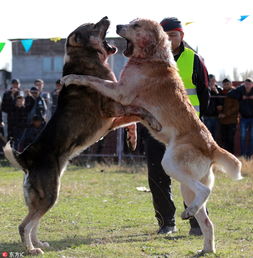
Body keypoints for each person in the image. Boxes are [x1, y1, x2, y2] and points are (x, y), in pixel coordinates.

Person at [143, 17, 210, 236]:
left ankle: (197, 224)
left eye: (173, 35)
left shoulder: (194, 59)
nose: (170, 39)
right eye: (166, 35)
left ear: (182, 35)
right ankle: (166, 223)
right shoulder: (149, 60)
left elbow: (204, 94)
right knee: (157, 175)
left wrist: (198, 124)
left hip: (187, 133)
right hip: (158, 129)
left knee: (192, 176)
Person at [228, 78, 253, 157]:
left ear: (252, 84)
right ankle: (243, 155)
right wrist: (241, 96)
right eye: (246, 84)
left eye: (249, 84)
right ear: (243, 84)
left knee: (252, 137)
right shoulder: (240, 89)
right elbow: (230, 93)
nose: (247, 86)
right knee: (242, 137)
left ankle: (250, 155)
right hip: (244, 117)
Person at [218, 79, 239, 154]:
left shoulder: (235, 92)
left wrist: (225, 114)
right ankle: (225, 155)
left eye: (227, 84)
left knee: (230, 139)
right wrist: (219, 110)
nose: (226, 86)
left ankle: (231, 155)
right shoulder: (220, 92)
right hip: (222, 121)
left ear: (231, 84)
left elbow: (236, 107)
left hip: (232, 120)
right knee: (223, 139)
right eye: (224, 84)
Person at [203, 74, 223, 140]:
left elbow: (221, 103)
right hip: (206, 116)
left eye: (213, 80)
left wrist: (216, 92)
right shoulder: (204, 89)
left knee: (216, 136)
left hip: (216, 116)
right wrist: (208, 91)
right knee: (207, 136)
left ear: (215, 81)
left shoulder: (219, 89)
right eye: (210, 81)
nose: (211, 82)